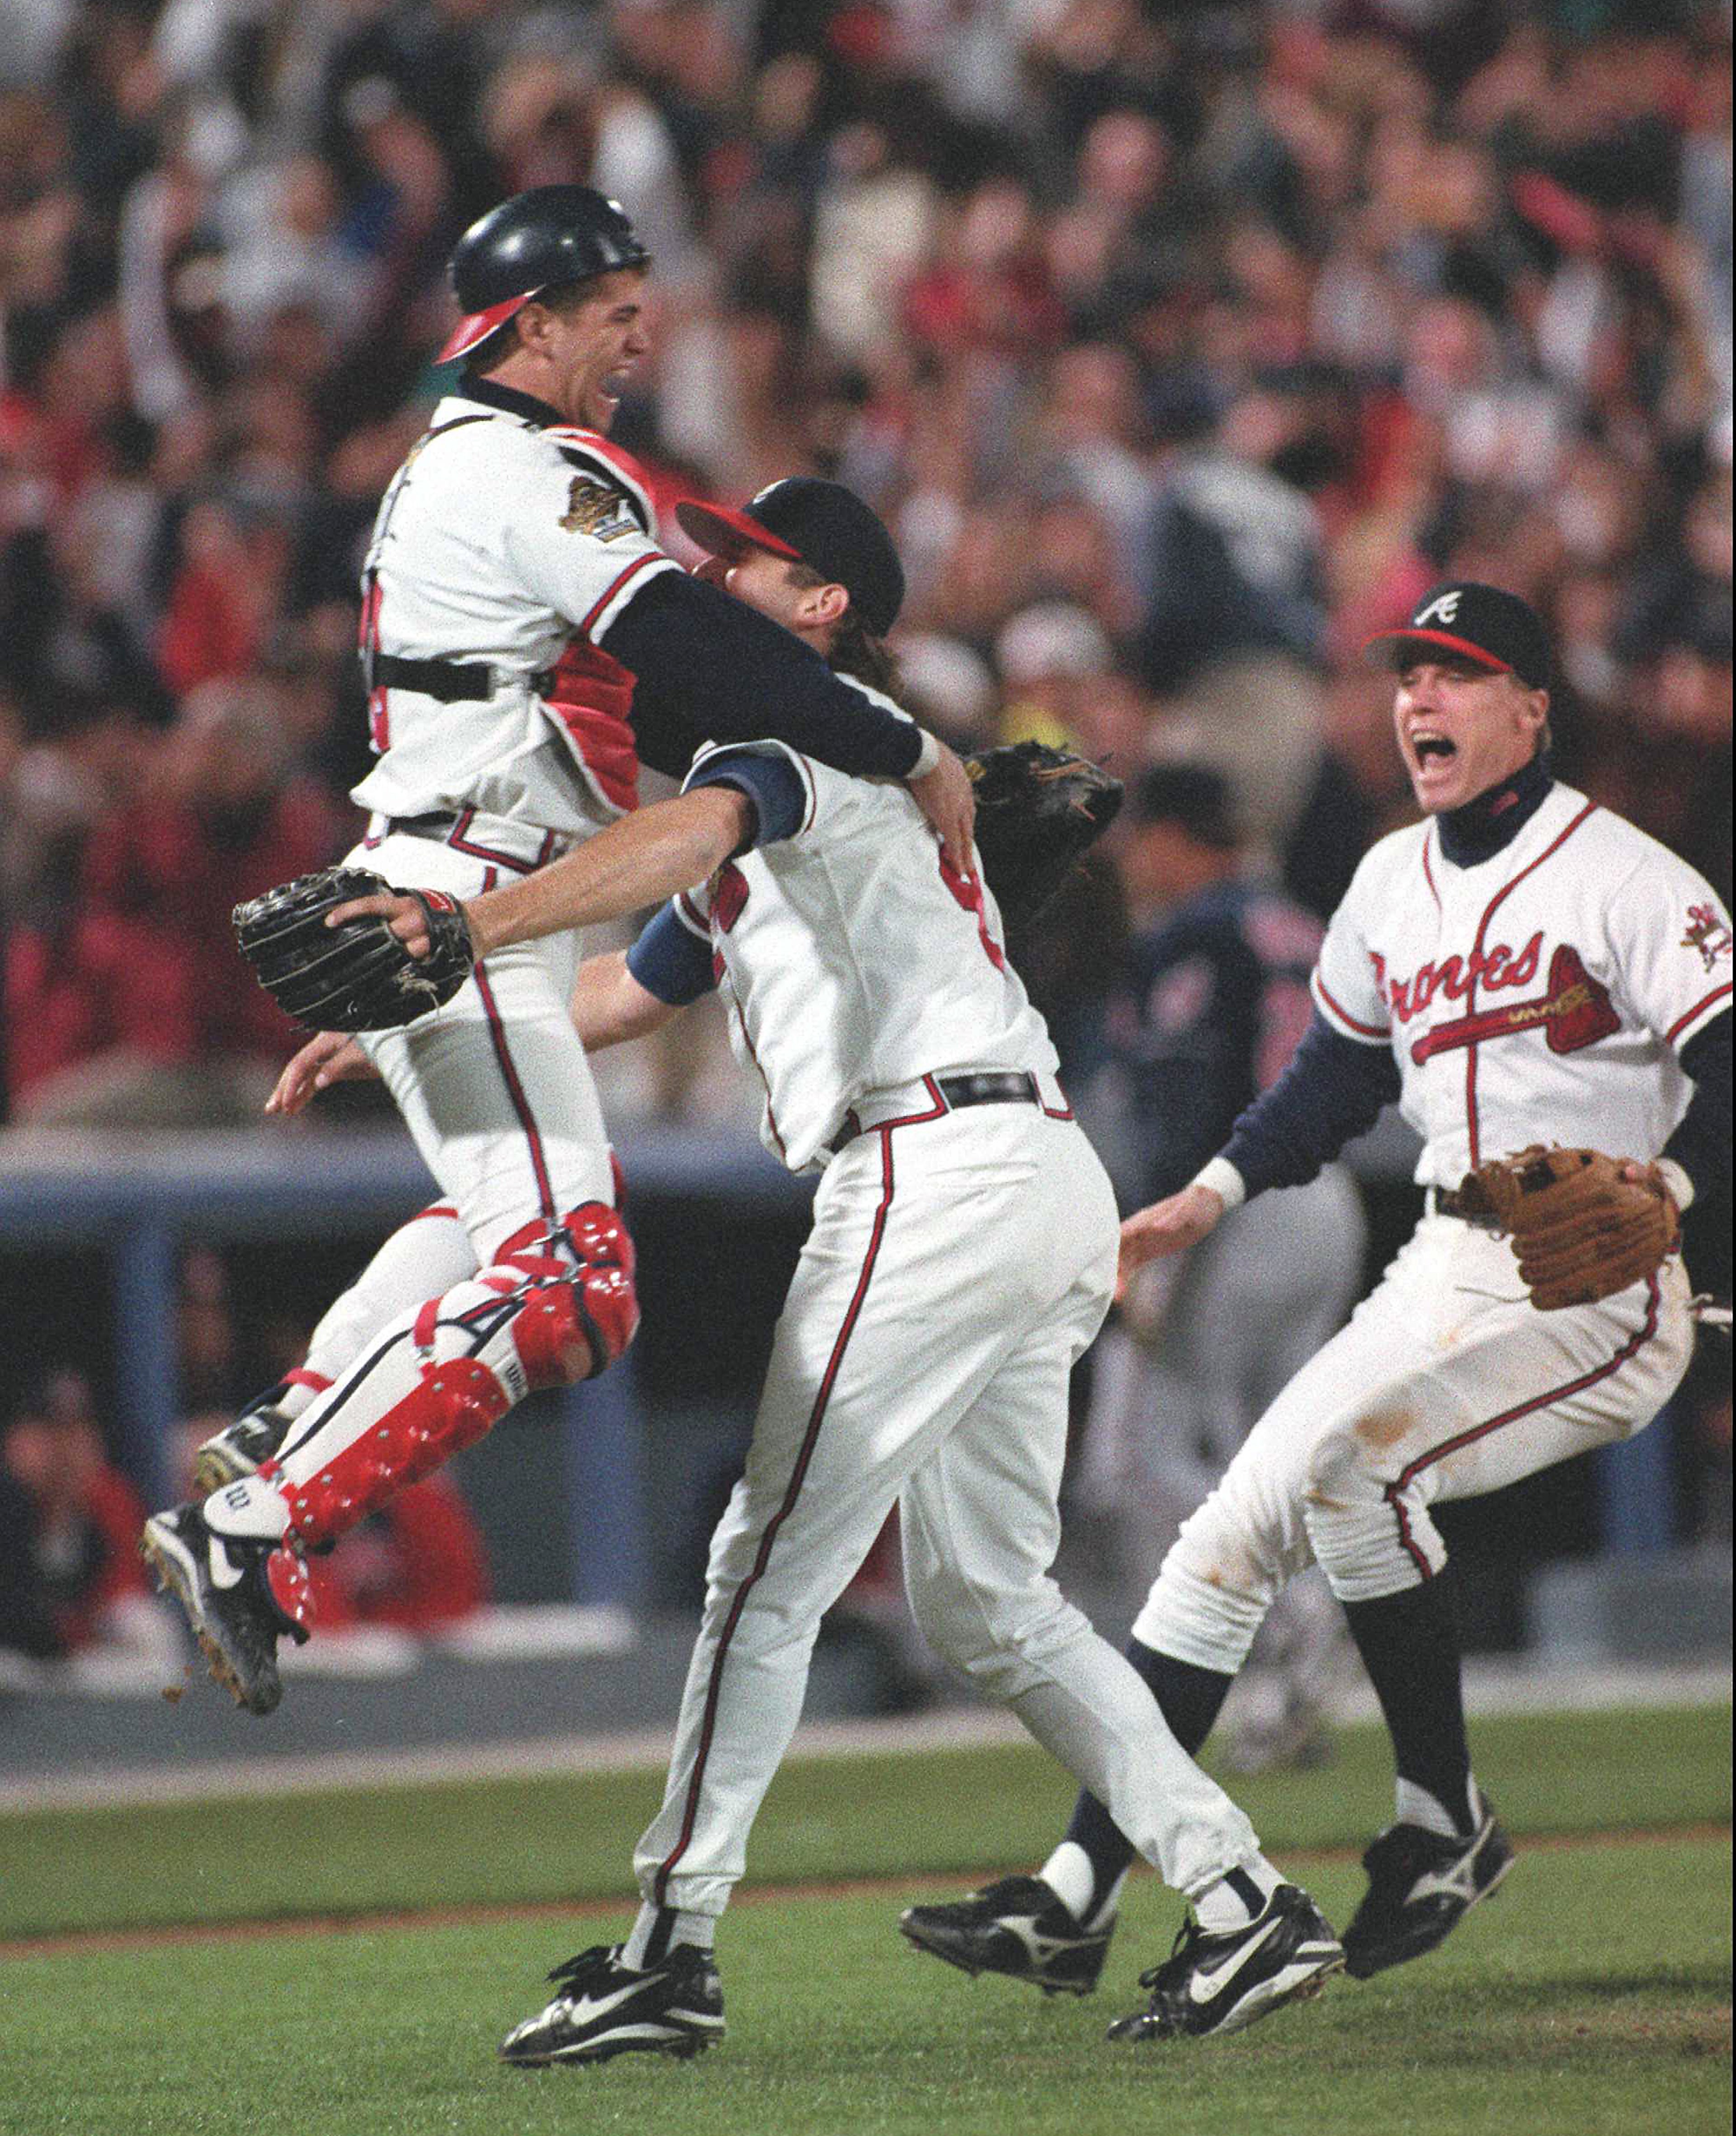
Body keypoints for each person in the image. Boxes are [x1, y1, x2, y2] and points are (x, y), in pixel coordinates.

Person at [301, 484, 1347, 2063]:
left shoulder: (821, 730)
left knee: (760, 1566)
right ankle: (1239, 1895)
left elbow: (696, 830)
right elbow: (623, 995)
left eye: (754, 564)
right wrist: (419, 1020)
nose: (712, 576)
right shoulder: (811, 771)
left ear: (828, 606)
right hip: (1020, 1168)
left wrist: (470, 921)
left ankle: (668, 1945)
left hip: (932, 1172)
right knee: (991, 1598)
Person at [139, 185, 975, 1719]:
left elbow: (652, 704)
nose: (640, 329)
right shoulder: (531, 463)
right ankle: (257, 1516)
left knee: (502, 1228)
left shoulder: (470, 470)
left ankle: (290, 1429)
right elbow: (698, 650)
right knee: (572, 1288)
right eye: (612, 309)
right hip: (463, 896)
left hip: (462, 892)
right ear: (531, 324)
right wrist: (904, 739)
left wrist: (875, 749)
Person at [902, 581, 1731, 1990]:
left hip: (1595, 1286)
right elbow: (1337, 1076)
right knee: (1217, 1539)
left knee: (1355, 1474)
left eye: (1459, 675)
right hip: (1439, 1254)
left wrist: (1676, 1190)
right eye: (1410, 674)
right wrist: (1208, 1192)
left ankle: (1439, 1811)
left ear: (1533, 706)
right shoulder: (1388, 878)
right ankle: (1076, 1890)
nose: (1422, 699)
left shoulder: (1636, 880)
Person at [1073, 762, 1364, 1768]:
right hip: (1328, 1197)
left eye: (1143, 835)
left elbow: (1188, 1093)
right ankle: (1290, 1667)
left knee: (1142, 1455)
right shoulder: (1297, 921)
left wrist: (1155, 1234)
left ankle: (1290, 1618)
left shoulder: (1193, 935)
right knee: (1273, 1454)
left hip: (1227, 1204)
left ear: (1178, 836)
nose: (1133, 858)